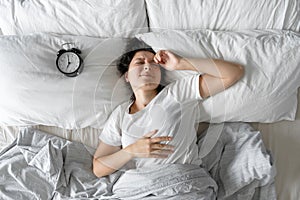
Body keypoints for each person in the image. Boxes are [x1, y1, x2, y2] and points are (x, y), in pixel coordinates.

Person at [93, 39, 244, 178]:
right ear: (127, 75)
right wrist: (131, 151)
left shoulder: (177, 93)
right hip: (142, 186)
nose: (147, 66)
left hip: (183, 182)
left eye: (153, 63)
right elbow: (98, 168)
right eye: (140, 62)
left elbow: (234, 72)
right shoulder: (120, 115)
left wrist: (181, 63)